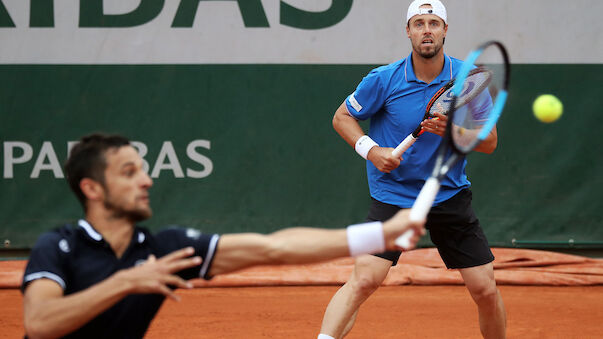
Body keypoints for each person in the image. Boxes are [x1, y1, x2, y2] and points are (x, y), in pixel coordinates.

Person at [21, 133, 425, 338]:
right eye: (129, 173)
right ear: (92, 188)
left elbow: (275, 249)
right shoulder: (58, 246)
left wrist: (380, 234)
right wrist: (125, 282)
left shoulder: (165, 250)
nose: (146, 180)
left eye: (143, 169)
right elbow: (39, 324)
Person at [317, 1, 506, 338]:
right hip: (395, 197)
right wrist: (372, 151)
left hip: (448, 195)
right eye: (419, 23)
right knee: (363, 281)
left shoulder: (469, 81)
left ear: (445, 30)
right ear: (408, 31)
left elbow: (489, 142)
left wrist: (453, 131)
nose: (427, 30)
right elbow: (341, 117)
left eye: (434, 23)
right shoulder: (383, 79)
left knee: (485, 290)